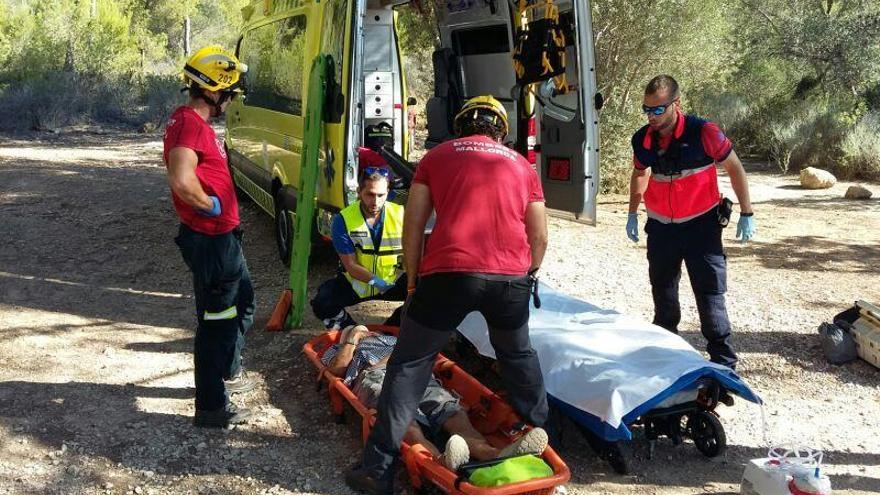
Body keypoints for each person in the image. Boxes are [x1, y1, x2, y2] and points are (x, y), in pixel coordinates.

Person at [345, 95, 550, 495]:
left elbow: (414, 226)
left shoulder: (436, 158)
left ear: (459, 125)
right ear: (500, 129)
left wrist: (413, 281)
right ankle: (542, 436)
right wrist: (528, 275)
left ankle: (377, 470)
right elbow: (539, 236)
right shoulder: (522, 167)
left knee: (409, 366)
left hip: (448, 274)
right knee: (518, 356)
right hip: (508, 279)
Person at [626, 75, 755, 370]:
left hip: (701, 226)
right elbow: (640, 173)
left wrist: (747, 212)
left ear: (676, 104)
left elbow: (734, 168)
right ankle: (666, 357)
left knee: (709, 294)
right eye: (647, 109)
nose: (651, 116)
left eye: (658, 109)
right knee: (663, 292)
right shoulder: (642, 138)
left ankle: (723, 363)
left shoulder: (704, 132)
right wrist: (633, 212)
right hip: (661, 227)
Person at [163, 46, 257, 428]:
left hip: (222, 239)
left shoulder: (192, 123)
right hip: (212, 239)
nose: (231, 100)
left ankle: (228, 370)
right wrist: (210, 205)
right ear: (212, 90)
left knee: (244, 302)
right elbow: (182, 181)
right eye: (229, 93)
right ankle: (211, 407)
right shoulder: (188, 124)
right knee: (216, 321)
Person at [324, 325, 548, 471]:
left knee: (451, 411)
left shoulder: (394, 339)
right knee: (404, 421)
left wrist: (399, 356)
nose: (367, 333)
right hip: (374, 378)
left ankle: (496, 454)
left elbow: (421, 353)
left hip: (416, 376)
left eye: (368, 331)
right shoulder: (341, 350)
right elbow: (337, 371)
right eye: (356, 332)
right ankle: (442, 461)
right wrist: (352, 339)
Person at [310, 166, 407, 330]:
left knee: (428, 294)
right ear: (359, 191)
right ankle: (352, 330)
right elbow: (351, 266)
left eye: (381, 195)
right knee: (323, 302)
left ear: (388, 192)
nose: (375, 201)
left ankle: (393, 328)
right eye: (370, 194)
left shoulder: (401, 214)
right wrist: (378, 283)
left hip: (393, 281)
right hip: (356, 284)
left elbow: (413, 255)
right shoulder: (343, 220)